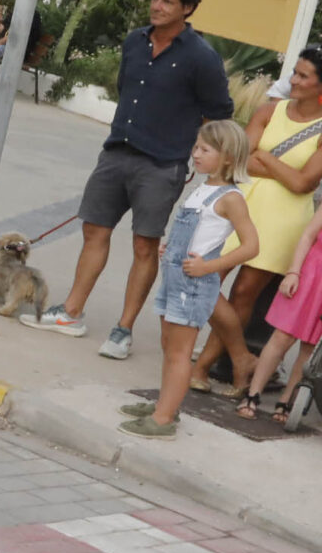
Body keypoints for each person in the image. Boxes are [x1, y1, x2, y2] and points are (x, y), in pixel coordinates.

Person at [28, 0, 237, 359]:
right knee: (94, 231)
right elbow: (126, 87)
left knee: (145, 245)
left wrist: (198, 152)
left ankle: (123, 330)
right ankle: (71, 312)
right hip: (117, 151)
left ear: (187, 9)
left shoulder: (201, 58)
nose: (157, 6)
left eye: (167, 2)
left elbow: (220, 114)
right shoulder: (134, 42)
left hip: (162, 165)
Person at [191, 46, 322, 394]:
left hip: (285, 219)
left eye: (303, 75)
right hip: (241, 207)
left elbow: (303, 183)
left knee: (245, 292)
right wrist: (271, 165)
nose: (292, 79)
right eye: (294, 71)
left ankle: (203, 366)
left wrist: (264, 157)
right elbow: (237, 162)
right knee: (205, 279)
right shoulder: (269, 111)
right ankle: (239, 357)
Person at [121, 119, 256, 439]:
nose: (195, 153)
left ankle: (164, 418)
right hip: (176, 277)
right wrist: (174, 248)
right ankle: (165, 404)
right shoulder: (202, 188)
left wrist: (210, 267)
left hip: (194, 283)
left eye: (204, 149)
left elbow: (252, 246)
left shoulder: (230, 198)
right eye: (196, 147)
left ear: (226, 157)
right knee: (169, 345)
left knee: (180, 351)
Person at [237, 202, 322, 421]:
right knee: (282, 336)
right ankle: (253, 393)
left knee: (310, 346)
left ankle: (287, 400)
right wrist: (293, 271)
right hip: (312, 273)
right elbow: (308, 236)